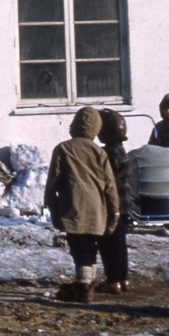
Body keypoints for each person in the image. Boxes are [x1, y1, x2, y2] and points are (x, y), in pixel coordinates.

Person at [45, 107, 120, 303]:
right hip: (97, 212)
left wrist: (51, 205)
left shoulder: (63, 149)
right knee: (90, 247)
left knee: (79, 249)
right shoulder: (99, 153)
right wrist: (114, 212)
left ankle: (83, 288)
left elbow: (53, 181)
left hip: (73, 209)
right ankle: (88, 282)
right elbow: (110, 186)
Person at [97, 108, 136, 294]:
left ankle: (112, 280)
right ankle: (123, 278)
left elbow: (108, 181)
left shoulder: (109, 153)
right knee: (120, 244)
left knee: (109, 244)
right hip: (125, 205)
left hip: (114, 206)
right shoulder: (120, 150)